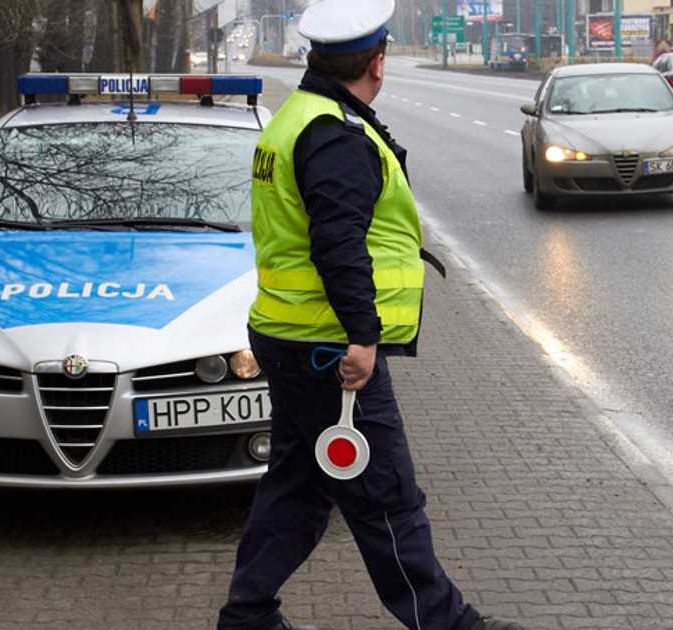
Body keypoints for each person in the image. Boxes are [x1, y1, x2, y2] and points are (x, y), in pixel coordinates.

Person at [217, 1, 525, 629]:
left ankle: (248, 616)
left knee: (297, 490)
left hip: (287, 332)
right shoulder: (332, 134)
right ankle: (447, 623)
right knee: (384, 494)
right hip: (328, 348)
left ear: (314, 58)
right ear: (378, 63)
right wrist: (363, 336)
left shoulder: (294, 119)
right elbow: (338, 243)